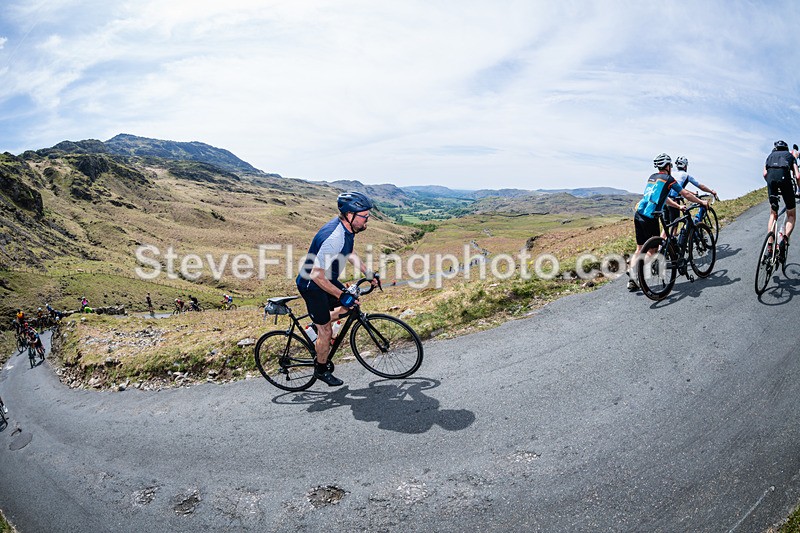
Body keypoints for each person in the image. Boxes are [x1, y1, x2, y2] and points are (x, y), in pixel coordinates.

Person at [296, 191, 378, 386]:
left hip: (327, 279)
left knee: (351, 305)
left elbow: (349, 252)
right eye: (364, 216)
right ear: (350, 215)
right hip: (312, 285)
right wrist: (341, 295)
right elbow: (315, 275)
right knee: (326, 331)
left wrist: (368, 273)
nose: (367, 220)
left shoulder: (347, 230)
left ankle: (315, 326)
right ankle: (321, 370)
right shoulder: (334, 237)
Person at [628, 153, 709, 291]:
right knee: (652, 250)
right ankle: (638, 272)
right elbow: (686, 194)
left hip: (639, 214)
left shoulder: (652, 177)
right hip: (650, 217)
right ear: (667, 166)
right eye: (670, 165)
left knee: (639, 248)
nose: (671, 167)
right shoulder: (669, 179)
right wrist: (701, 202)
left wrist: (677, 206)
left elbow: (662, 197)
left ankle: (631, 276)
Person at [763, 140, 799, 260]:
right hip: (785, 181)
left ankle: (769, 247)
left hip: (771, 181)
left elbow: (764, 174)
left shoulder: (769, 156)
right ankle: (784, 239)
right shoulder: (790, 156)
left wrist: (772, 185)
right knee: (791, 215)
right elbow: (798, 175)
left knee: (773, 214)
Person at [664, 157, 718, 228]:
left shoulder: (672, 173)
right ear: (685, 166)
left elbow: (680, 188)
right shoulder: (686, 175)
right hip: (674, 201)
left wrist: (693, 193)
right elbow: (701, 186)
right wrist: (711, 191)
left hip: (665, 200)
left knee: (666, 227)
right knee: (674, 227)